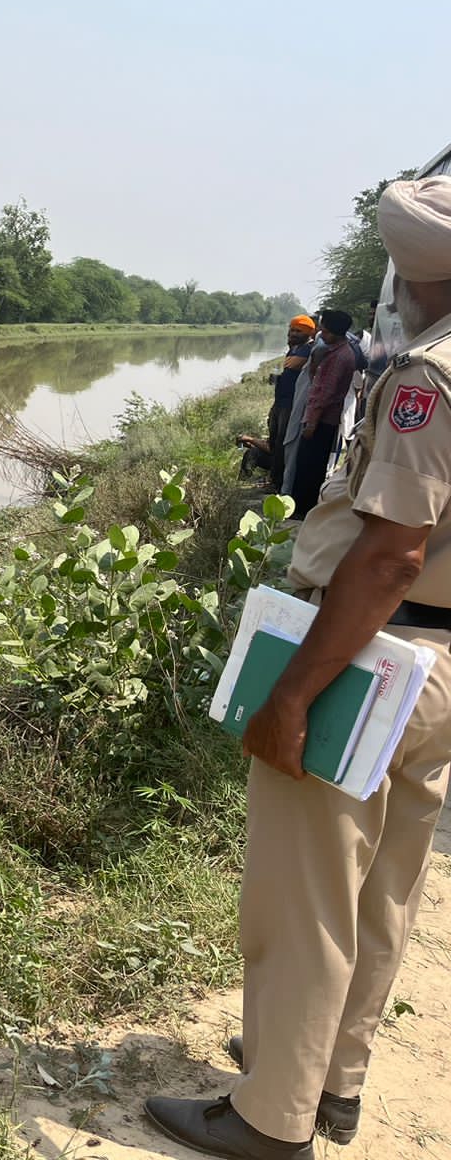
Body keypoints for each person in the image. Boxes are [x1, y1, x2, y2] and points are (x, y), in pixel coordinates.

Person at [144, 175, 451, 1160]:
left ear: (411, 272)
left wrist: (291, 693)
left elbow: (388, 555)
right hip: (437, 665)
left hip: (376, 654)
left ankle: (270, 1115)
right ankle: (333, 1085)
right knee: (381, 890)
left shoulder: (424, 380)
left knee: (308, 891)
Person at [288, 309, 361, 517]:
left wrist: (311, 424)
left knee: (309, 468)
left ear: (336, 333)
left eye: (325, 330)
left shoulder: (339, 357)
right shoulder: (333, 352)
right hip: (319, 419)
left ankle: (301, 510)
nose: (321, 333)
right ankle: (301, 507)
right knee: (308, 466)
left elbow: (324, 395)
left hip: (321, 421)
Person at [266, 316, 316, 490]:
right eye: (292, 330)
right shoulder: (294, 349)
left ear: (310, 333)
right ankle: (273, 477)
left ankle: (278, 482)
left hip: (292, 404)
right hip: (280, 401)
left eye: (298, 331)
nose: (293, 334)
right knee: (274, 439)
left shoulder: (308, 350)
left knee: (282, 442)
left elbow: (292, 366)